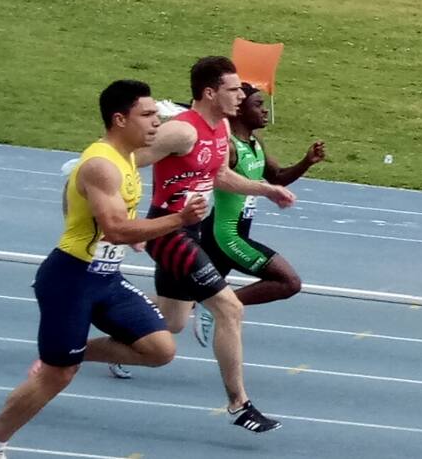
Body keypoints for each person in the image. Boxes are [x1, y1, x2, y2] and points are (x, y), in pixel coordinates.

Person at [0, 81, 207, 459]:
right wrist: (178, 219)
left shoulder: (127, 156)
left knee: (160, 349)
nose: (156, 124)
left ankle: (72, 352)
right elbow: (113, 225)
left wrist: (127, 237)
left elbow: (80, 203)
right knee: (57, 376)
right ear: (119, 119)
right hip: (71, 278)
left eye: (157, 116)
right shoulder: (101, 164)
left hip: (106, 277)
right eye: (147, 115)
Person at [116, 57, 295, 434]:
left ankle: (79, 347)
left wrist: (267, 189)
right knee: (229, 309)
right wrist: (128, 222)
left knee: (171, 323)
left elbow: (220, 176)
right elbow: (123, 162)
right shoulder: (182, 132)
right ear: (210, 93)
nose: (241, 95)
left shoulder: (220, 129)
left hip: (189, 230)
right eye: (233, 89)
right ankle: (238, 404)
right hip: (167, 233)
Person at [199, 83, 324, 320]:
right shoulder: (230, 148)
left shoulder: (255, 143)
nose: (265, 110)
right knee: (289, 282)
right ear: (239, 111)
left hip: (223, 232)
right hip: (227, 236)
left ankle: (131, 332)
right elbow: (217, 176)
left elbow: (277, 177)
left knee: (179, 305)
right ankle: (220, 306)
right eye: (258, 105)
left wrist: (306, 162)